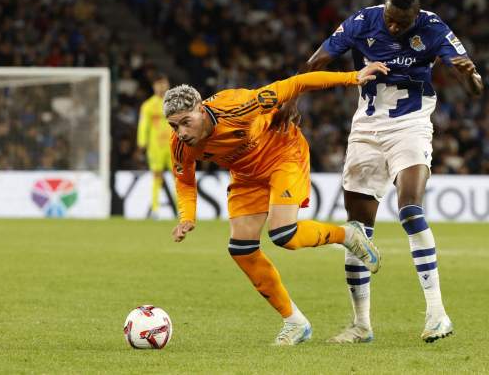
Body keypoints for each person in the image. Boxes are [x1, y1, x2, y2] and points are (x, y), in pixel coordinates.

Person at [274, 0, 483, 343]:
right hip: (367, 128)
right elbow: (318, 60)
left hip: (411, 126)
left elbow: (475, 87)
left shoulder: (434, 28)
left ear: (415, 16)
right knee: (357, 230)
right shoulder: (363, 21)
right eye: (390, 18)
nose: (393, 27)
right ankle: (361, 325)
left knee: (411, 211)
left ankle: (437, 314)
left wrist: (469, 77)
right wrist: (293, 96)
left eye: (402, 22)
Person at [165, 63, 385, 345]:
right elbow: (184, 182)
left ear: (200, 108)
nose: (181, 132)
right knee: (241, 249)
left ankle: (348, 235)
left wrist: (351, 77)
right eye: (174, 126)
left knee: (284, 234)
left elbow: (295, 84)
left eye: (186, 122)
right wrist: (187, 217)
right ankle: (295, 322)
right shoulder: (180, 144)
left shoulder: (238, 106)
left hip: (283, 154)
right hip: (246, 175)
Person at [137, 73, 171, 219]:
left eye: (163, 83)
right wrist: (142, 142)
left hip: (174, 145)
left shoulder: (176, 103)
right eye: (158, 84)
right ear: (154, 87)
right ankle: (156, 209)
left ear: (168, 85)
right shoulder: (148, 105)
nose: (161, 87)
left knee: (181, 177)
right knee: (157, 176)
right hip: (156, 146)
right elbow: (143, 124)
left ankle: (184, 210)